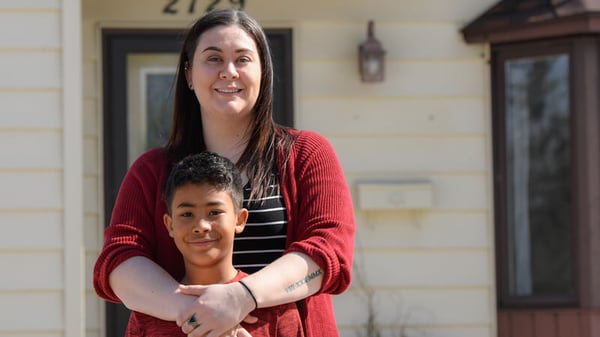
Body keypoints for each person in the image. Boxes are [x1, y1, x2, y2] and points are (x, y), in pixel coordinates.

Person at [93, 8, 355, 337]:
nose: (228, 72)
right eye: (213, 58)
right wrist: (199, 314)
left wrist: (241, 297)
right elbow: (119, 259)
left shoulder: (306, 155)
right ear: (189, 74)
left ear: (262, 73)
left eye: (243, 59)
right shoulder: (151, 171)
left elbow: (329, 252)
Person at [127, 152, 304, 337]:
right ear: (170, 225)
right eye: (187, 214)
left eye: (214, 212)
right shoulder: (147, 312)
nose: (201, 226)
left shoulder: (275, 308)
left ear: (240, 220)